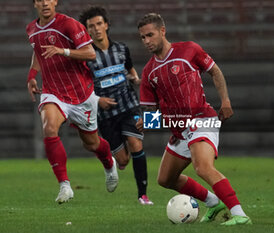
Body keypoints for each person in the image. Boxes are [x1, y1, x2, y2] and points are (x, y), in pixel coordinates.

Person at [136, 13, 252, 225]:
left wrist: (225, 101)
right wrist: (147, 121)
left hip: (202, 120)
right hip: (180, 130)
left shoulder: (188, 49)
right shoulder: (148, 73)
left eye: (150, 35)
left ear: (163, 31)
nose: (146, 41)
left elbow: (215, 71)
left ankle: (239, 215)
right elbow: (153, 111)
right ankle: (213, 202)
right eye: (142, 37)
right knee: (165, 179)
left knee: (203, 168)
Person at [26, 0, 118, 204]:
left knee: (92, 143)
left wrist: (62, 51)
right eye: (40, 0)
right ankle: (64, 186)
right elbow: (38, 51)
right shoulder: (31, 28)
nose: (45, 3)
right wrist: (32, 75)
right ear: (35, 4)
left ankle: (108, 162)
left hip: (81, 95)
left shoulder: (68, 24)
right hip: (53, 92)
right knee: (49, 127)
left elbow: (90, 53)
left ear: (55, 1)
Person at [79, 6, 153, 205]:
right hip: (105, 115)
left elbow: (129, 69)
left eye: (99, 24)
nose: (95, 29)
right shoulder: (85, 57)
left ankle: (143, 195)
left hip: (129, 105)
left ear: (106, 25)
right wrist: (97, 100)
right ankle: (116, 160)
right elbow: (81, 86)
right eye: (91, 26)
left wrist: (135, 77)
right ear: (86, 31)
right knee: (123, 160)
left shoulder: (121, 49)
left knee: (137, 143)